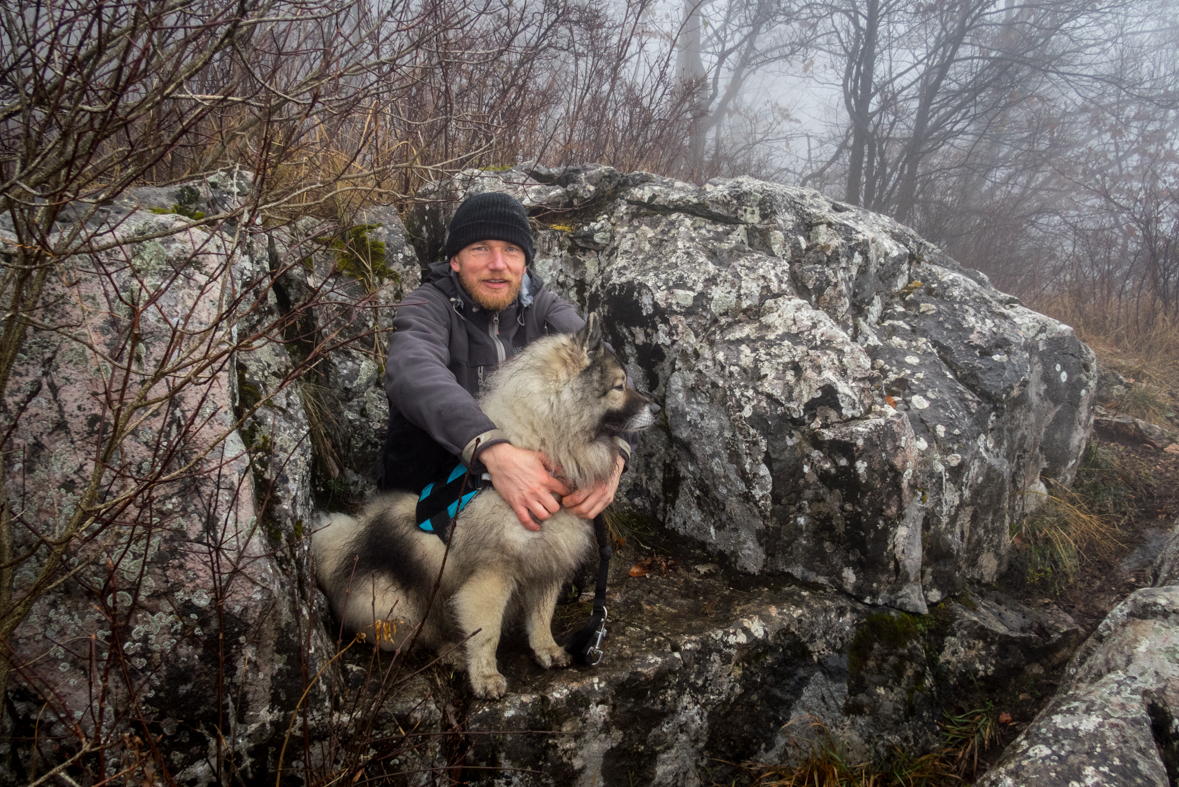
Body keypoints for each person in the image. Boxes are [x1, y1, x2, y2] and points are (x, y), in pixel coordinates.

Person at [379, 192, 628, 530]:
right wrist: (494, 452)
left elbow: (613, 378)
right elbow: (412, 372)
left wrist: (614, 464)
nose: (498, 264)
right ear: (455, 260)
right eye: (480, 247)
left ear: (525, 263)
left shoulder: (543, 309)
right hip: (425, 497)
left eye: (511, 249)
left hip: (527, 491)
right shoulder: (428, 305)